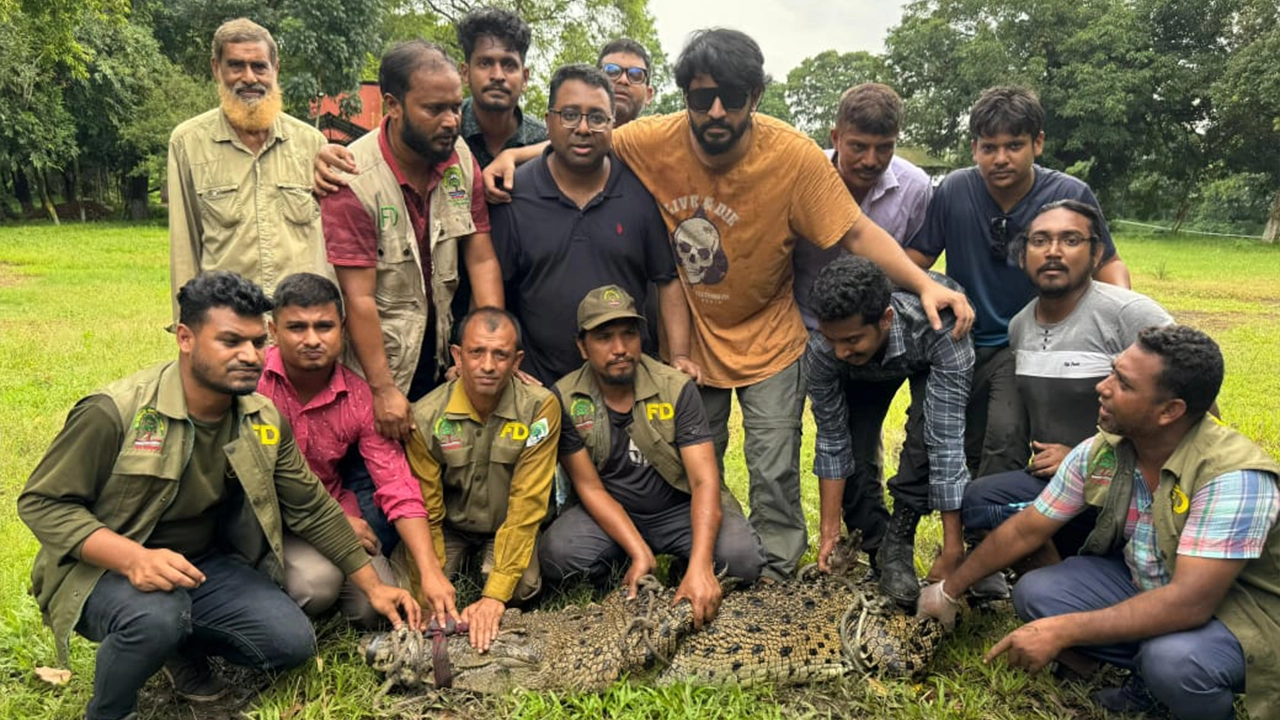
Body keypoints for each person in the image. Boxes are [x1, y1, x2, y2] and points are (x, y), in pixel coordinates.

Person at [476, 29, 974, 580]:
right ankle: (699, 557)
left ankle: (778, 574)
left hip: (770, 335)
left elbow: (855, 232)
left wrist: (923, 283)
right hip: (690, 341)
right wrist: (515, 155)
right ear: (684, 95)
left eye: (732, 97)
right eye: (700, 97)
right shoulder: (654, 138)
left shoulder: (792, 155)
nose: (715, 110)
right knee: (686, 464)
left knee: (774, 467)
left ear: (755, 97)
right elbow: (584, 139)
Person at [18, 272, 419, 720]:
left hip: (200, 564)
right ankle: (111, 709)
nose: (249, 356)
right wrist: (133, 559)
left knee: (291, 642)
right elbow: (41, 503)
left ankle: (178, 651)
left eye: (254, 342)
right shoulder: (117, 410)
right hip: (100, 570)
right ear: (186, 338)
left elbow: (311, 506)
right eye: (230, 341)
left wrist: (373, 585)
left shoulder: (260, 417)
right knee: (156, 617)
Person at [918, 325, 1280, 720]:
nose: (1102, 387)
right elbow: (1027, 528)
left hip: (1246, 614)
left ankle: (1181, 690)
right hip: (1156, 583)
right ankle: (1151, 682)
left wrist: (1063, 631)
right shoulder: (1106, 450)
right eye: (1112, 371)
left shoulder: (1232, 478)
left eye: (1122, 383)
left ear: (1169, 411)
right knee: (1039, 593)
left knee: (1174, 661)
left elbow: (1190, 602)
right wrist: (949, 590)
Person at [906, 86, 1131, 481]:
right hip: (962, 339)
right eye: (989, 147)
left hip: (1028, 341)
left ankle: (994, 529)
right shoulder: (955, 190)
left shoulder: (1068, 194)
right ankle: (958, 520)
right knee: (946, 436)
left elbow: (1107, 261)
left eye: (1014, 145)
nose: (1001, 158)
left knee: (1004, 437)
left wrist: (1120, 318)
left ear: (1037, 143)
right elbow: (916, 259)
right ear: (974, 148)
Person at [961, 200, 1173, 573]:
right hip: (1066, 487)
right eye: (1040, 240)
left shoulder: (1129, 314)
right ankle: (1059, 566)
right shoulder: (1019, 326)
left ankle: (1093, 572)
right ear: (1022, 256)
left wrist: (1084, 458)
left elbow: (1192, 414)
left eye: (1071, 240)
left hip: (1137, 485)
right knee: (980, 501)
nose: (1054, 251)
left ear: (1096, 255)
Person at [539, 286, 766, 627]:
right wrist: (638, 549)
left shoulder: (675, 387)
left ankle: (686, 562)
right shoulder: (566, 397)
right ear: (582, 347)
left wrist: (701, 567)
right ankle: (628, 558)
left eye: (629, 334)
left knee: (743, 559)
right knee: (557, 555)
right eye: (604, 337)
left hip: (679, 509)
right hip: (614, 514)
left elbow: (704, 480)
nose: (620, 349)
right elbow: (589, 488)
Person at [319, 40, 502, 443]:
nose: (452, 121)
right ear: (393, 104)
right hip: (374, 371)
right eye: (434, 109)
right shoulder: (352, 179)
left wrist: (486, 347)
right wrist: (383, 390)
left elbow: (482, 260)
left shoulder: (460, 159)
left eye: (456, 107)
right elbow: (359, 299)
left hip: (438, 361)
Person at [792, 83, 935, 583]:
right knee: (842, 441)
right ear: (835, 136)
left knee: (890, 433)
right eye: (858, 146)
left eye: (885, 147)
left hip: (886, 334)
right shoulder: (802, 177)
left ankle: (888, 546)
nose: (871, 159)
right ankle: (862, 536)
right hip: (816, 338)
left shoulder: (916, 188)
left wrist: (872, 303)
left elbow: (919, 257)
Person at [258, 272, 458, 628]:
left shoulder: (359, 396)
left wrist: (430, 572)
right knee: (315, 586)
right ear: (273, 331)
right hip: (268, 520)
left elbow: (397, 485)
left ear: (344, 329)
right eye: (296, 328)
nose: (312, 339)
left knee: (374, 609)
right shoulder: (253, 385)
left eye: (324, 326)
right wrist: (332, 525)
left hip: (336, 513)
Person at [489, 63, 691, 386]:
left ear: (613, 124)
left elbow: (666, 280)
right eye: (569, 114)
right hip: (539, 388)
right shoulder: (513, 196)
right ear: (548, 120)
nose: (583, 128)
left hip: (626, 389)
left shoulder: (640, 193)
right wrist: (502, 359)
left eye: (597, 118)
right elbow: (491, 287)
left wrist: (679, 356)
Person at [805, 256, 973, 607]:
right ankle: (876, 544)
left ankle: (899, 537)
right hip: (864, 374)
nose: (838, 350)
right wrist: (828, 532)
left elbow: (947, 440)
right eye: (831, 338)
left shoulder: (940, 326)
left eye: (850, 339)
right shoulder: (825, 351)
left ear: (885, 319)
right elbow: (832, 442)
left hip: (924, 355)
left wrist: (953, 546)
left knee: (927, 435)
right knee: (854, 446)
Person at [404, 308, 559, 651]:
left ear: (517, 361)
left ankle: (490, 569)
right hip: (451, 525)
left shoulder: (540, 408)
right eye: (476, 352)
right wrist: (429, 586)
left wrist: (494, 596)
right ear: (458, 356)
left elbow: (528, 503)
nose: (488, 365)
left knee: (520, 589)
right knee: (416, 591)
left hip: (504, 522)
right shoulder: (426, 415)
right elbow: (426, 510)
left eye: (500, 354)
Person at [168, 18, 330, 324]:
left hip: (299, 323)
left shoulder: (312, 143)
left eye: (259, 66)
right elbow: (184, 244)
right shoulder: (187, 142)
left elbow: (333, 243)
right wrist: (186, 324)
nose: (249, 78)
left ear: (275, 69)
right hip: (228, 322)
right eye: (236, 66)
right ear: (216, 68)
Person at [456, 6, 547, 169]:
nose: (498, 76)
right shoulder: (448, 129)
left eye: (509, 65)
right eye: (485, 63)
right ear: (465, 73)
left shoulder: (541, 138)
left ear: (525, 78)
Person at [598, 38, 655, 126]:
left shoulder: (663, 137)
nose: (623, 80)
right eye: (612, 72)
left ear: (648, 95)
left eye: (636, 75)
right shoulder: (570, 135)